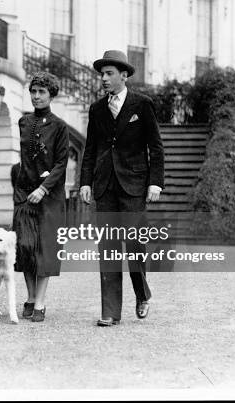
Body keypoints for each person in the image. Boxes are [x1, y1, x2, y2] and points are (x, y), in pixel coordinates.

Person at [79, 50, 164, 327]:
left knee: (134, 245)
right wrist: (85, 182)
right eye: (102, 74)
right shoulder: (97, 109)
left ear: (123, 75)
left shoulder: (142, 104)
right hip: (105, 187)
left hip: (134, 186)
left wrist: (155, 182)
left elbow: (156, 146)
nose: (103, 79)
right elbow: (90, 149)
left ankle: (142, 293)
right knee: (108, 248)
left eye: (109, 74)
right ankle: (110, 311)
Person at [12, 72, 69, 322]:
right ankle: (31, 296)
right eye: (33, 91)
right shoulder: (23, 122)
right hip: (25, 193)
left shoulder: (59, 126)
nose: (36, 96)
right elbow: (24, 160)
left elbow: (61, 163)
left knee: (44, 250)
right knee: (24, 247)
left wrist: (43, 188)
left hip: (48, 195)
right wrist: (22, 188)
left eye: (41, 92)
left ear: (51, 94)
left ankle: (41, 303)